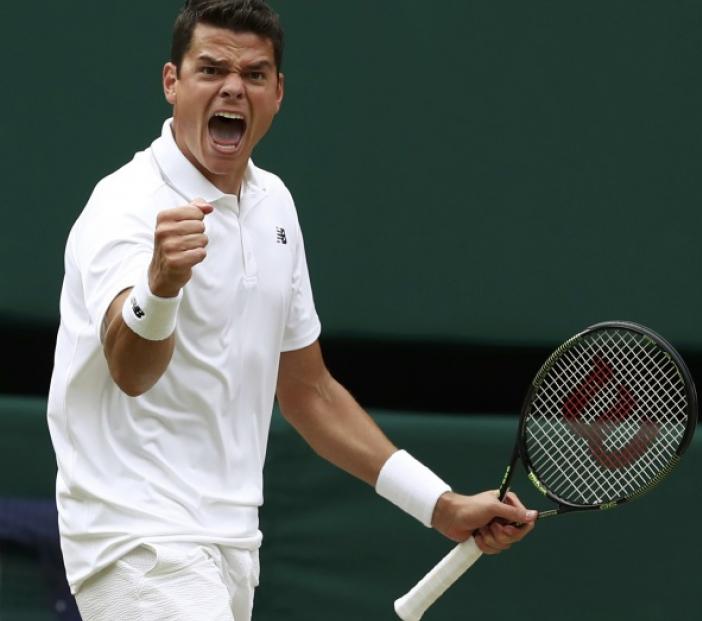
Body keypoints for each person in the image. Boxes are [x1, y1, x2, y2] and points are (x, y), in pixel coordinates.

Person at [46, 1, 536, 619]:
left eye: (254, 74)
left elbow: (309, 392)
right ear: (172, 83)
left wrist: (439, 505)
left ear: (278, 93)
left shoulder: (274, 204)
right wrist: (161, 286)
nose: (233, 87)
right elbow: (131, 371)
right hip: (136, 538)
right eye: (211, 69)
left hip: (230, 544)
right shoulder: (124, 206)